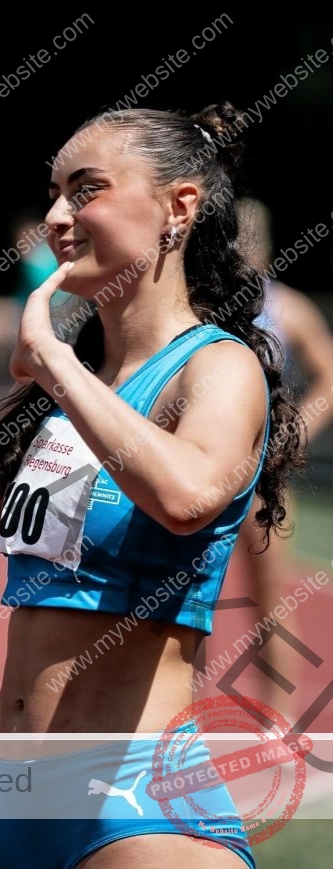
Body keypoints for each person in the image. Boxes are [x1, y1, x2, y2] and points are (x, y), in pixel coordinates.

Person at [0, 103, 306, 867]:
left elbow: (188, 496)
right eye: (54, 193)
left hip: (136, 811)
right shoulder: (63, 394)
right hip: (8, 806)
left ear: (178, 208)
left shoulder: (216, 366)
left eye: (85, 189)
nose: (58, 215)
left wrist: (54, 365)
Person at [228, 197, 333, 722]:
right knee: (180, 590)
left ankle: (279, 713)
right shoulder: (204, 304)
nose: (241, 249)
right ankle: (172, 715)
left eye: (250, 239)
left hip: (262, 469)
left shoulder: (286, 306)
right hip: (198, 462)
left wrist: (293, 434)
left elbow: (329, 376)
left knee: (270, 591)